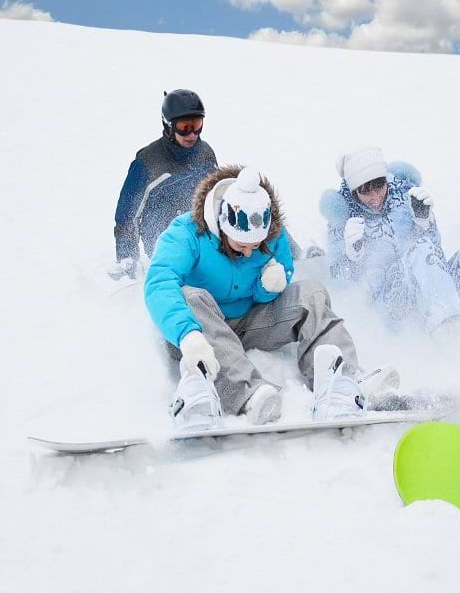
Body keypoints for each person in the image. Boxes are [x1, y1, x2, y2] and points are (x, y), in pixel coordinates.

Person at [144, 165, 398, 430]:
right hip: (199, 334)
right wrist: (187, 334)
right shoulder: (187, 232)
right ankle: (247, 394)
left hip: (250, 322)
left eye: (256, 246)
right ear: (222, 224)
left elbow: (284, 269)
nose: (249, 252)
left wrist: (269, 287)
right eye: (241, 245)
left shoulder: (274, 235)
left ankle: (340, 382)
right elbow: (160, 281)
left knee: (312, 292)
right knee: (190, 296)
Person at [320, 147, 460, 335]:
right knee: (419, 247)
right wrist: (353, 256)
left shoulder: (406, 196)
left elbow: (435, 258)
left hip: (436, 294)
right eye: (365, 191)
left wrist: (425, 223)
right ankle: (452, 337)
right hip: (396, 311)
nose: (375, 196)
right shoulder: (343, 220)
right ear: (354, 191)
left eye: (379, 186)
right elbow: (343, 287)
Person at [109, 89, 217, 280]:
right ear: (168, 125)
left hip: (199, 234)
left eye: (197, 125)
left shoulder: (205, 154)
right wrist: (127, 257)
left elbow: (216, 196)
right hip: (164, 242)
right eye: (184, 126)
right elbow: (127, 215)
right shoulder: (148, 163)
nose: (192, 134)